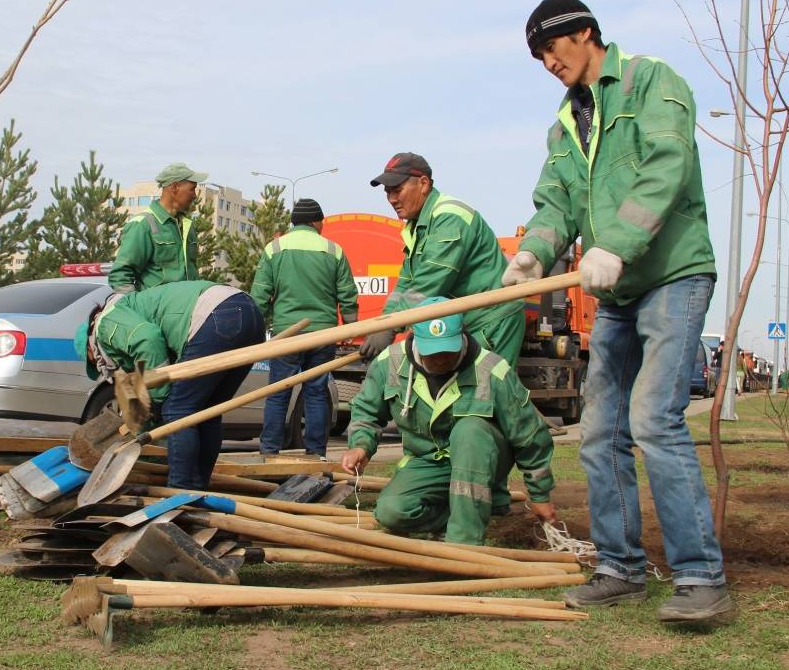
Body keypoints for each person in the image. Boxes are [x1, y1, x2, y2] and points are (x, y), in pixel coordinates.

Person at [503, 0, 729, 622]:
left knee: (654, 420)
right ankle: (621, 569)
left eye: (553, 48)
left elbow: (668, 165)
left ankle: (701, 578)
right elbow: (555, 204)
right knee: (601, 432)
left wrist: (620, 246)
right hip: (618, 293)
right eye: (538, 57)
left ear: (585, 33)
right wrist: (533, 255)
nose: (548, 63)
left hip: (673, 275)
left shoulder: (649, 81)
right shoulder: (563, 126)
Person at [340, 298, 557, 545]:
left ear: (462, 336)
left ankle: (463, 542)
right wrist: (360, 446)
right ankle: (469, 510)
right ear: (415, 340)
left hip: (483, 459)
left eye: (447, 351)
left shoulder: (491, 369)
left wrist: (540, 495)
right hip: (427, 461)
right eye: (433, 353)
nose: (441, 359)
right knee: (391, 512)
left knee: (470, 429)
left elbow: (529, 435)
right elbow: (366, 412)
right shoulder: (389, 363)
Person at [76, 280, 265, 489]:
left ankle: (179, 490)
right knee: (206, 414)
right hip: (249, 314)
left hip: (216, 315)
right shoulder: (131, 309)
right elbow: (138, 372)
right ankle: (197, 489)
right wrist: (143, 420)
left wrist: (157, 400)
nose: (98, 363)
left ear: (89, 343)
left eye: (92, 359)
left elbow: (148, 340)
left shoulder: (106, 323)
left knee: (178, 410)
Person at [358, 152, 525, 365]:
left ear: (424, 183)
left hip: (492, 319)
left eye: (397, 190)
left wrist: (391, 327)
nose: (391, 198)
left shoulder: (449, 216)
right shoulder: (416, 226)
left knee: (488, 389)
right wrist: (382, 323)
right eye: (387, 192)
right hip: (467, 320)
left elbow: (430, 281)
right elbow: (406, 283)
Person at [249, 198, 359, 459]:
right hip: (323, 333)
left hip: (286, 334)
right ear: (315, 221)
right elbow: (347, 293)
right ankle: (316, 452)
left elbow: (260, 294)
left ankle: (270, 451)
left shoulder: (274, 249)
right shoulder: (333, 250)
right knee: (317, 392)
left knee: (278, 392)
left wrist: (255, 329)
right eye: (321, 221)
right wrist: (352, 327)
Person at [108, 163, 205, 294]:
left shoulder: (187, 226)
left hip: (187, 310)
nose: (194, 195)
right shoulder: (142, 225)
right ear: (175, 187)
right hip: (157, 313)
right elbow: (120, 276)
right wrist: (137, 309)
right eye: (192, 189)